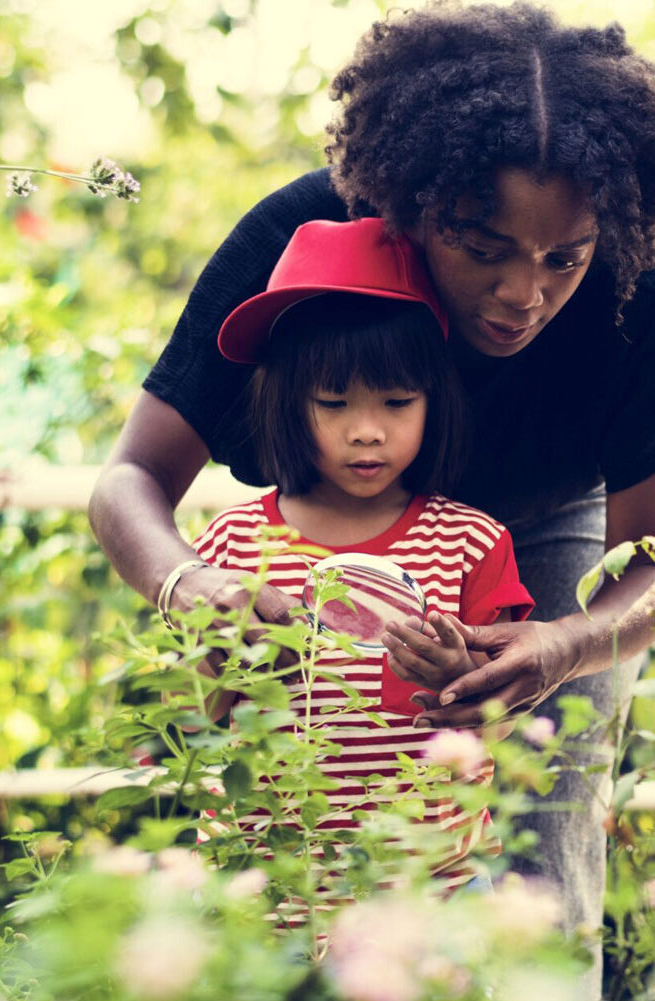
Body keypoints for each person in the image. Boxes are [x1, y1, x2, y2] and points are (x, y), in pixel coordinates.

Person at [87, 3, 655, 988]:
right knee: (302, 798)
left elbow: (651, 565)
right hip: (319, 531)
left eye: (566, 256)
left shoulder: (649, 291)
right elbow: (130, 480)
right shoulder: (301, 232)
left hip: (549, 527)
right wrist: (192, 590)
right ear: (412, 205)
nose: (527, 291)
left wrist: (562, 643)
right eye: (486, 248)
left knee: (543, 795)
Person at [189, 217, 535, 905]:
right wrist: (225, 663)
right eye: (333, 402)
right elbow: (197, 716)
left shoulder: (469, 542)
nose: (366, 429)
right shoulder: (230, 546)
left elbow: (508, 711)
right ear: (288, 403)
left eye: (396, 402)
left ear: (434, 400)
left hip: (428, 887)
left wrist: (457, 675)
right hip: (268, 886)